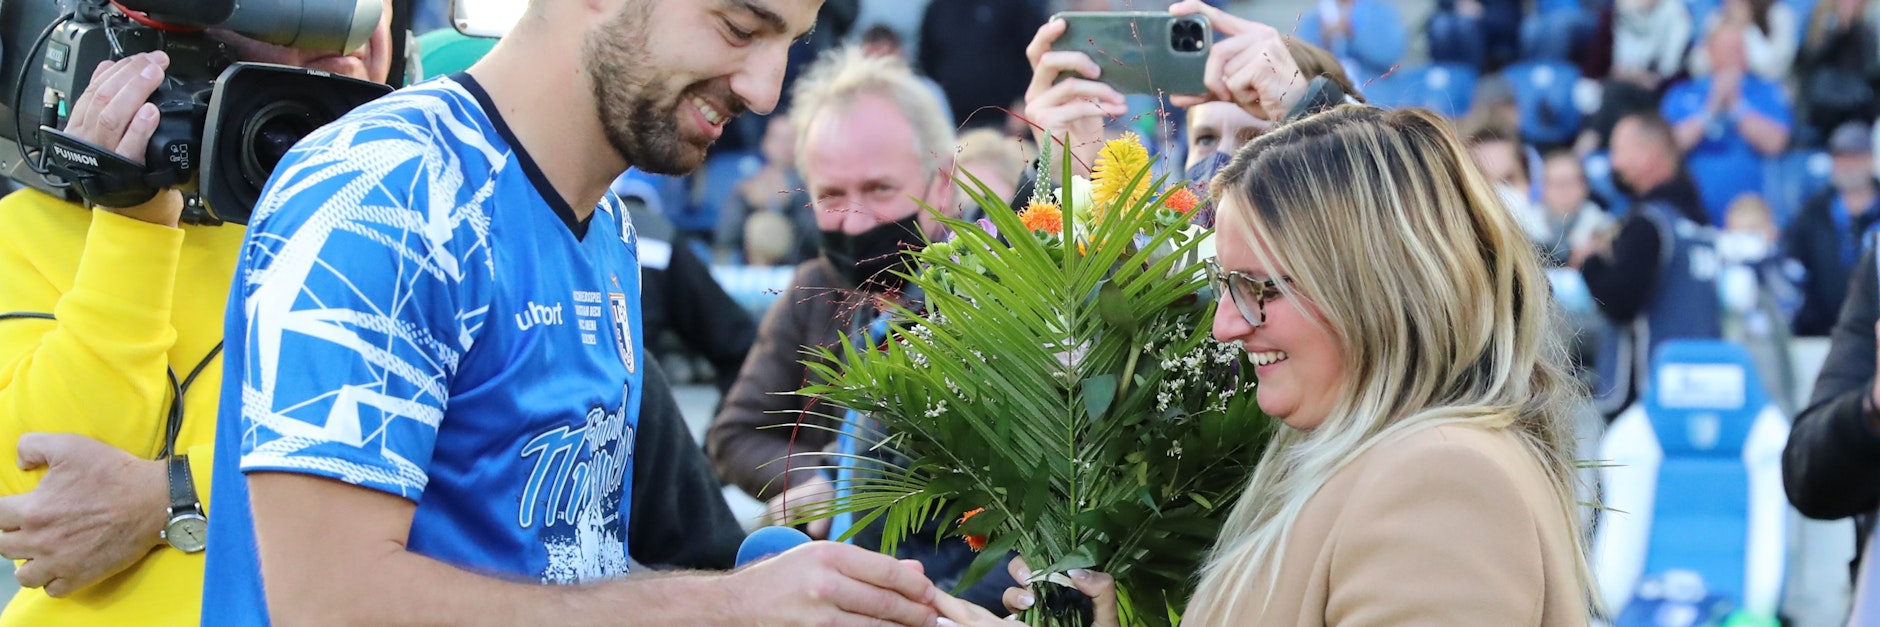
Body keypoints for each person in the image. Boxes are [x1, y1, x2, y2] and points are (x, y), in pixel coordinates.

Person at [198, 1, 943, 625]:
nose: (765, 89)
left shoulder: (609, 230)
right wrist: (728, 604)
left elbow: (561, 574)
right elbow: (330, 599)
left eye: (792, 41)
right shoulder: (387, 192)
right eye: (741, 27)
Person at [935, 49, 1592, 627]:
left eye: (1256, 288)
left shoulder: (1443, 479)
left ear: (1370, 285)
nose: (1225, 324)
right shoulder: (1377, 449)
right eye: (1225, 286)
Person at [0, 3, 398, 624]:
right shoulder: (28, 232)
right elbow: (45, 502)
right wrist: (132, 228)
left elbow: (460, 452)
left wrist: (172, 496)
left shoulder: (423, 216)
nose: (349, 24)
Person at [704, 45, 1011, 609]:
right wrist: (813, 484)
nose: (856, 220)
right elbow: (733, 435)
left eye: (878, 190)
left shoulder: (994, 290)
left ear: (941, 184)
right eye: (831, 195)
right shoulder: (810, 291)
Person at [1575, 112, 1722, 418]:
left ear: (1648, 154)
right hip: (1701, 388)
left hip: (1647, 397)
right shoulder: (1701, 224)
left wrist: (1589, 262)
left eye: (1618, 151)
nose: (1613, 164)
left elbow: (1619, 300)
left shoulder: (1649, 223)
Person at [1663, 25, 1794, 225]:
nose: (1734, 56)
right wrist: (1709, 110)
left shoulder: (1765, 90)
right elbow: (1669, 147)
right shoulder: (1682, 93)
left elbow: (1775, 143)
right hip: (1693, 210)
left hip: (1752, 214)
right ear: (1710, 51)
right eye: (1726, 49)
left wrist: (1737, 107)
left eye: (1738, 48)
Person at [1786, 121, 1880, 337]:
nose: (1846, 164)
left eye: (1854, 156)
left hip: (1875, 330)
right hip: (1821, 331)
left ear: (1871, 159)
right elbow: (1792, 261)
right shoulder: (1814, 210)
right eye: (1840, 156)